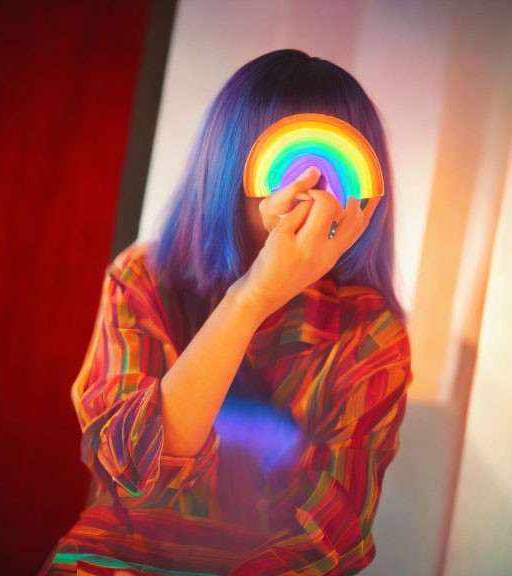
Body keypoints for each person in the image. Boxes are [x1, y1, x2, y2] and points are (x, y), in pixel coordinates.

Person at [38, 49, 412, 576]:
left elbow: (333, 534)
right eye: (287, 162)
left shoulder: (370, 330)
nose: (308, 191)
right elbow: (130, 465)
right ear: (230, 166)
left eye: (332, 167)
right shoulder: (146, 278)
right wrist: (251, 298)